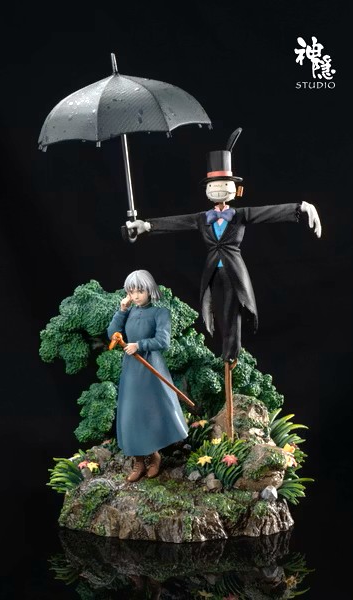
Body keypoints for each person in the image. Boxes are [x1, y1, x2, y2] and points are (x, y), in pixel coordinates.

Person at [124, 128, 322, 436]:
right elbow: (176, 222)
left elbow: (268, 213)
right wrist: (145, 225)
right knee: (215, 311)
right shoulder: (202, 218)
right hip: (212, 273)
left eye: (224, 185)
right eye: (213, 186)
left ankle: (231, 354)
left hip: (234, 272)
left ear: (234, 189)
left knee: (233, 312)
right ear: (207, 190)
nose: (218, 189)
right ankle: (225, 354)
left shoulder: (240, 215)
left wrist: (300, 207)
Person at [107, 270, 188, 482]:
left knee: (150, 411)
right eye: (131, 292)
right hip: (132, 369)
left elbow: (163, 341)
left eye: (139, 291)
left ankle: (154, 456)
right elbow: (112, 334)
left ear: (149, 290)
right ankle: (139, 461)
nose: (135, 296)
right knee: (131, 413)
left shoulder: (160, 313)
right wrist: (121, 311)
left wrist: (139, 345)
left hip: (151, 367)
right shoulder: (129, 311)